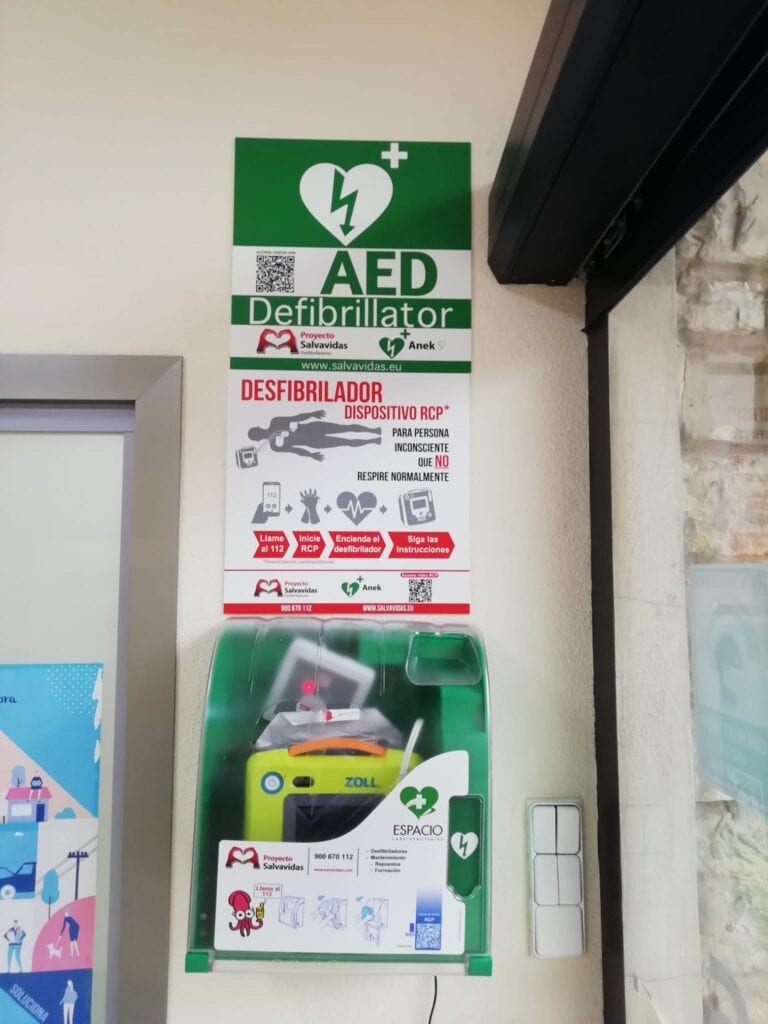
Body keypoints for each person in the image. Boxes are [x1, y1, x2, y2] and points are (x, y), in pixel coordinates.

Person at [248, 410, 381, 461]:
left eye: (257, 430)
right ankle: (374, 438)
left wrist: (311, 414)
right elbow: (296, 450)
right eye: (257, 432)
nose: (260, 431)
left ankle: (374, 433)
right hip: (314, 441)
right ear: (258, 437)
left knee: (346, 431)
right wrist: (311, 455)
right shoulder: (275, 446)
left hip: (314, 430)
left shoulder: (275, 422)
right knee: (346, 440)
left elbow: (296, 417)